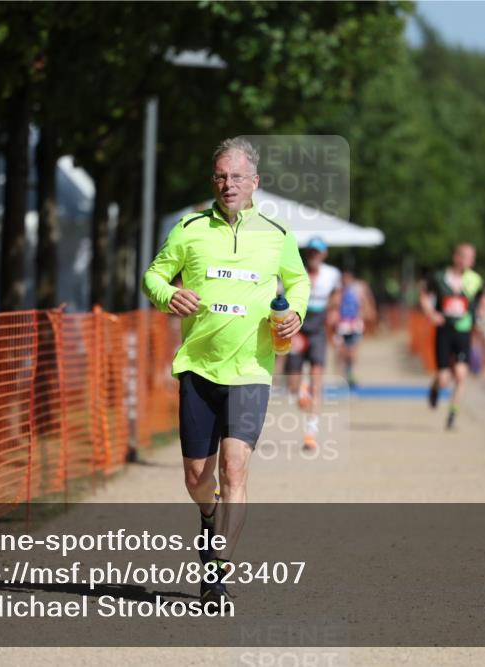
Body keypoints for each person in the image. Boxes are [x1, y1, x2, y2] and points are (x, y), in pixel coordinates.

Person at [142, 137, 310, 605]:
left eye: (237, 176)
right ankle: (207, 512)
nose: (228, 184)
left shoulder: (277, 235)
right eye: (220, 175)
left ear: (255, 182)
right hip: (198, 366)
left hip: (252, 369)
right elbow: (153, 276)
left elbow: (297, 283)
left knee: (236, 471)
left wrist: (295, 311)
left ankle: (216, 575)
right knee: (198, 477)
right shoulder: (189, 229)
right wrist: (166, 295)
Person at [285, 237, 340, 451]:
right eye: (310, 253)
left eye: (317, 253)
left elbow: (337, 294)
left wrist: (334, 312)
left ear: (324, 255)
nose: (313, 256)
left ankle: (311, 433)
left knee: (318, 383)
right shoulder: (295, 272)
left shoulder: (332, 274)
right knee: (292, 385)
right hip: (297, 329)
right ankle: (300, 390)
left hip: (318, 331)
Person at [420, 243, 483, 430]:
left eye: (472, 257)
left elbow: (483, 299)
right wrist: (432, 314)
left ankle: (452, 415)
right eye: (466, 257)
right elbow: (424, 295)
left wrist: (479, 313)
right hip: (444, 330)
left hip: (464, 331)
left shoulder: (475, 280)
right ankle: (435, 388)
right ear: (456, 257)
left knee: (461, 375)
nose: (470, 261)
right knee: (444, 378)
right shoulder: (439, 278)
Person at [332, 269, 376, 388]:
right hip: (341, 326)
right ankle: (341, 374)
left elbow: (366, 305)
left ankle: (350, 373)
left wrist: (367, 312)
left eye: (348, 279)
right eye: (344, 279)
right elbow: (333, 307)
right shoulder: (339, 292)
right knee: (341, 352)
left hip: (354, 325)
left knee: (352, 352)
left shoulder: (358, 292)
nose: (346, 281)